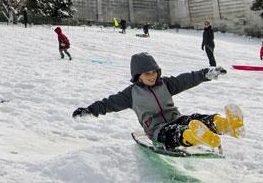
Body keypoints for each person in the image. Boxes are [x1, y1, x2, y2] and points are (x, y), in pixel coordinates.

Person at [72, 52, 243, 150]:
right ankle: (195, 136)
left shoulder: (165, 84)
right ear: (138, 75)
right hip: (157, 130)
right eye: (147, 73)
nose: (152, 76)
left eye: (154, 72)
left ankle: (225, 125)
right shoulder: (131, 93)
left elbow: (187, 79)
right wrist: (89, 110)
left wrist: (206, 73)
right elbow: (108, 103)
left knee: (195, 119)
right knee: (175, 132)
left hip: (176, 117)